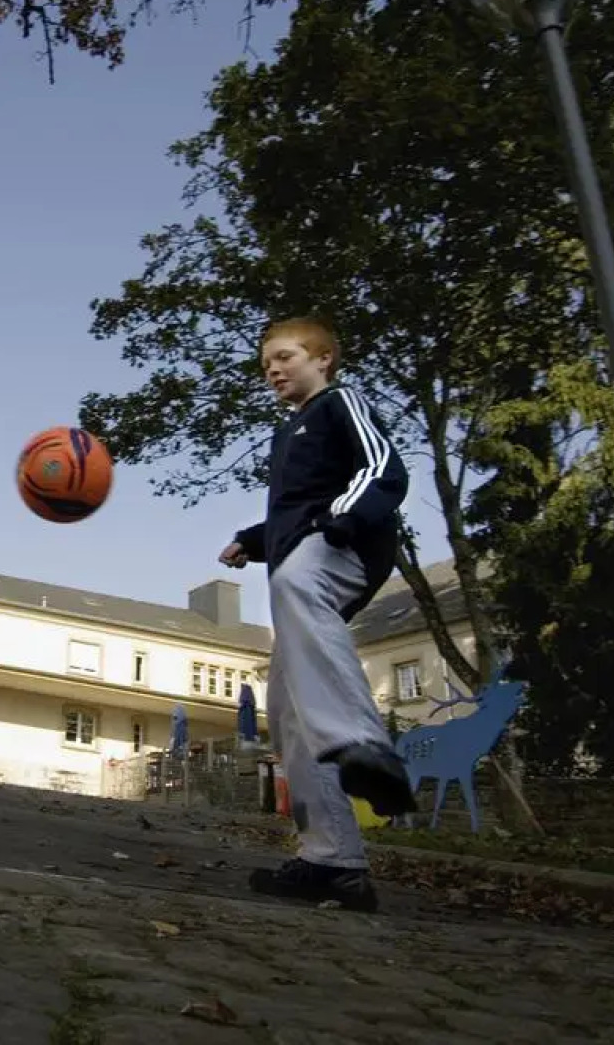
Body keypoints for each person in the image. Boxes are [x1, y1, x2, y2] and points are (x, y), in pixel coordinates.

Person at [219, 316, 414, 912]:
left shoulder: (339, 403)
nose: (273, 370)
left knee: (300, 581)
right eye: (266, 365)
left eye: (283, 357)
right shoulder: (289, 433)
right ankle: (333, 862)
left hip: (345, 541)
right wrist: (253, 539)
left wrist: (346, 519)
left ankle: (365, 744)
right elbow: (292, 508)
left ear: (323, 358)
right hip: (302, 547)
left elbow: (383, 466)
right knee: (288, 709)